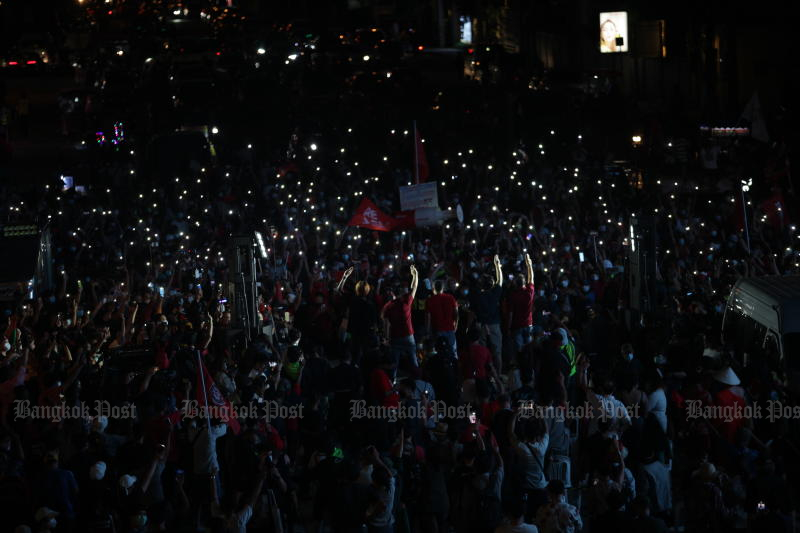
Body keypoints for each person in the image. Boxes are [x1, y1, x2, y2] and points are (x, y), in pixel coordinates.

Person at [381, 265, 419, 372]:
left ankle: (392, 382)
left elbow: (384, 322)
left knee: (394, 363)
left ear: (393, 293)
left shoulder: (388, 306)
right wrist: (415, 275)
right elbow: (415, 287)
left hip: (395, 337)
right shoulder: (406, 301)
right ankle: (417, 379)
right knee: (413, 359)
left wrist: (386, 338)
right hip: (408, 335)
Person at [473, 255, 504, 371]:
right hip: (494, 325)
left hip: (482, 326)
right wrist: (497, 266)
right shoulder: (494, 293)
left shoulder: (478, 295)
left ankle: (483, 374)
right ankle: (499, 374)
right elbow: (500, 280)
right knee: (497, 353)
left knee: (482, 353)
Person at [507, 254, 535, 355]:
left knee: (519, 351)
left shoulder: (513, 295)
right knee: (528, 349)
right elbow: (531, 277)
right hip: (528, 324)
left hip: (517, 326)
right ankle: (529, 367)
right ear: (524, 283)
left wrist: (509, 328)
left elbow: (510, 313)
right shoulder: (529, 291)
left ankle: (520, 367)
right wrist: (529, 265)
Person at [426, 280, 459, 356]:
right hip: (450, 329)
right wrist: (455, 326)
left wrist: (428, 331)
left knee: (440, 353)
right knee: (453, 352)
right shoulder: (451, 298)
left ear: (434, 288)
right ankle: (454, 366)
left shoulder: (430, 300)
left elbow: (428, 317)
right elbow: (456, 314)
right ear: (443, 288)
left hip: (437, 330)